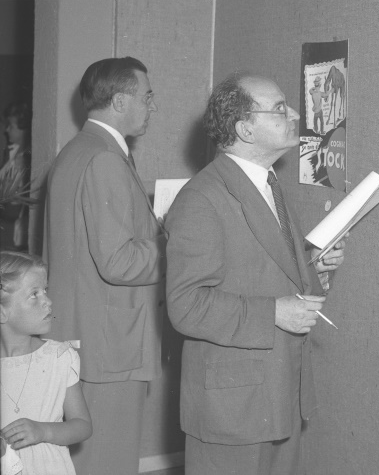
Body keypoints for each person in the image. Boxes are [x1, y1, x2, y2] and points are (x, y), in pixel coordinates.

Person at [165, 72, 346, 475]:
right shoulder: (202, 198)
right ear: (245, 129)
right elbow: (185, 305)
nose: (294, 114)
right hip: (233, 409)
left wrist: (313, 264)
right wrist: (274, 313)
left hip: (278, 393)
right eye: (279, 108)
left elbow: (266, 271)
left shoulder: (268, 185)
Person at [43, 57, 166, 475]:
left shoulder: (76, 151)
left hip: (83, 334)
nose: (152, 106)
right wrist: (173, 248)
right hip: (110, 345)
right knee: (109, 460)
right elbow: (119, 262)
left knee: (87, 460)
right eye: (147, 97)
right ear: (119, 101)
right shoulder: (105, 159)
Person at [0, 250, 92, 475]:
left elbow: (82, 425)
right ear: (2, 312)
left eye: (45, 291)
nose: (48, 301)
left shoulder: (59, 358)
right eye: (34, 294)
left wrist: (43, 431)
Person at [0, 102, 32, 251]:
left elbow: (15, 206)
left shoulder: (26, 159)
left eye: (11, 126)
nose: (7, 130)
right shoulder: (11, 153)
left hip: (15, 229)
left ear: (24, 130)